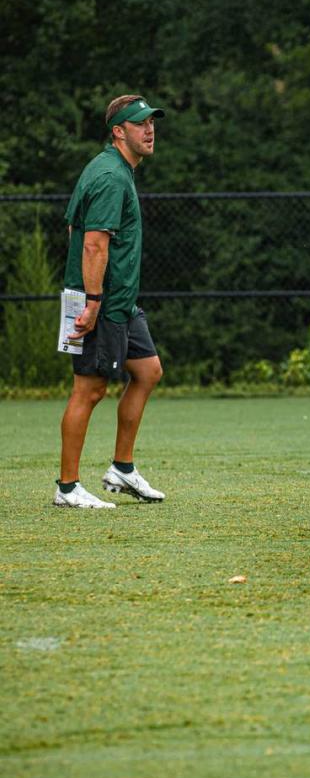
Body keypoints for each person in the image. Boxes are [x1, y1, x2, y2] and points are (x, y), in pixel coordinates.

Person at [55, 94, 167, 508]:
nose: (150, 129)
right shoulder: (110, 176)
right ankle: (67, 488)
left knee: (148, 371)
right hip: (99, 303)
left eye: (152, 122)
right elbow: (92, 245)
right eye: (140, 124)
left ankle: (122, 468)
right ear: (118, 131)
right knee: (90, 389)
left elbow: (72, 227)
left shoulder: (117, 169)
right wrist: (91, 299)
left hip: (119, 301)